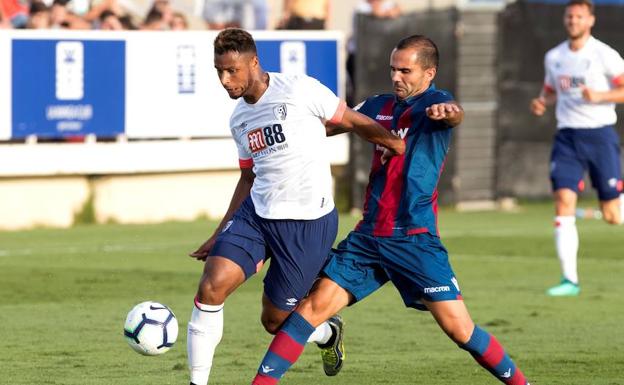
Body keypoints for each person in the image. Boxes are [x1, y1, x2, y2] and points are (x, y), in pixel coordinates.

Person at [250, 34, 531, 385]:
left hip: (414, 238)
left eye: (405, 71)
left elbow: (454, 114)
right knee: (308, 311)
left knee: (460, 331)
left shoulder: (436, 103)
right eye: (393, 69)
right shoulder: (377, 105)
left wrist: (451, 113)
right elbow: (325, 126)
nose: (396, 77)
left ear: (429, 72)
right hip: (369, 238)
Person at [187, 28, 405, 385]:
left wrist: (395, 146)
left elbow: (350, 120)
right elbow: (248, 178)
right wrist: (219, 232)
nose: (225, 81)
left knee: (274, 322)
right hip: (257, 216)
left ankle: (327, 334)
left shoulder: (299, 89)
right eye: (219, 72)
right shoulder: (239, 118)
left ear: (253, 62)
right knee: (211, 287)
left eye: (232, 71)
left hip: (307, 223)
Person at [530, 0, 624, 297]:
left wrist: (600, 95)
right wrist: (542, 101)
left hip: (600, 136)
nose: (573, 21)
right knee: (563, 202)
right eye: (569, 16)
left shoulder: (604, 55)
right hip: (567, 138)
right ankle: (569, 280)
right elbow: (550, 89)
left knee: (612, 215)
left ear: (590, 21)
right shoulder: (554, 57)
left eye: (579, 16)